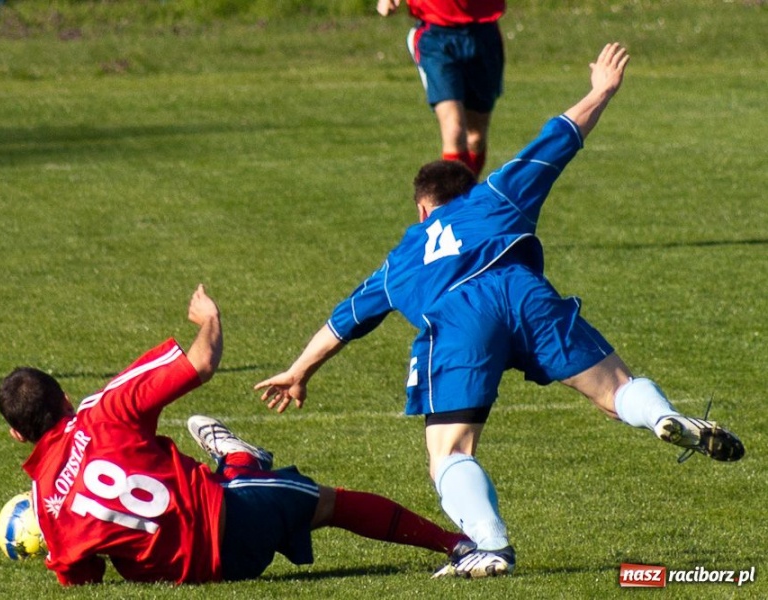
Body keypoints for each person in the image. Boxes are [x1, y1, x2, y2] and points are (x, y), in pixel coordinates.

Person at [255, 43, 744, 579]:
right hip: (523, 292)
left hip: (461, 317)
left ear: (422, 208)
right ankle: (663, 416)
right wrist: (602, 90)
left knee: (450, 451)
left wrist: (300, 371)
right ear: (465, 188)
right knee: (617, 388)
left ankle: (492, 546)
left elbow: (344, 321)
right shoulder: (494, 196)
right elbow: (558, 139)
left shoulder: (402, 258)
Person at [0, 284, 474, 586]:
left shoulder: (46, 508)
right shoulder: (101, 410)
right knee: (330, 504)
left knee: (277, 497)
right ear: (62, 399)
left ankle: (237, 461)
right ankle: (456, 544)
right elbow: (201, 363)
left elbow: (83, 578)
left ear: (19, 435)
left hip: (189, 573)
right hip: (232, 519)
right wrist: (209, 319)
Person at [376, 0, 506, 176]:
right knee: (454, 129)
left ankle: (465, 198)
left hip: (483, 33)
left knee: (476, 138)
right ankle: (453, 202)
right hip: (435, 34)